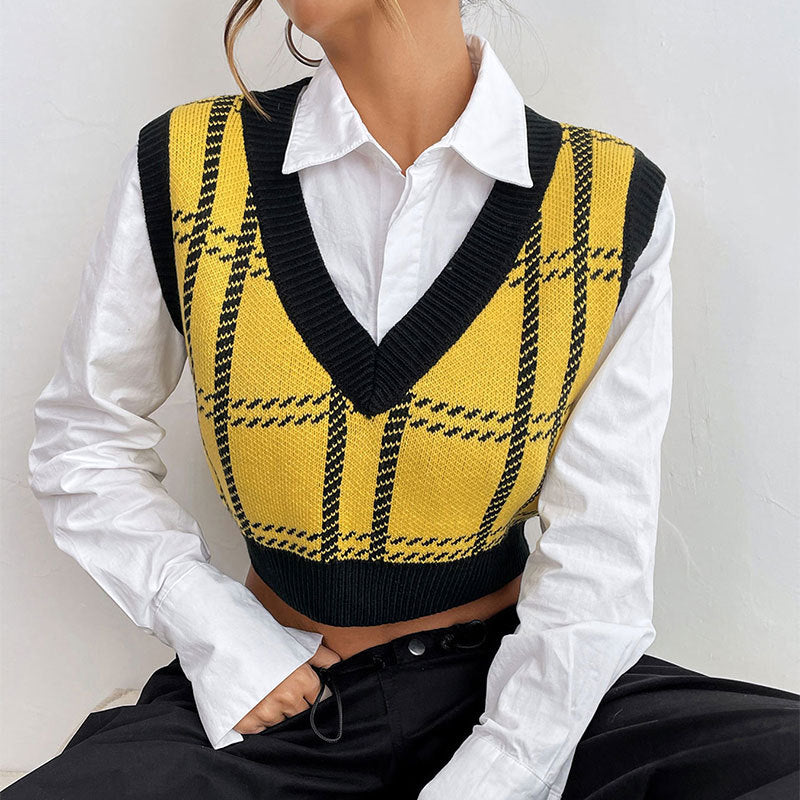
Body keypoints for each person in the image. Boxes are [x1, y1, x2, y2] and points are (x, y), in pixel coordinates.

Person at [6, 1, 798, 798]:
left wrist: (499, 773)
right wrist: (220, 632)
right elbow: (83, 440)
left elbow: (601, 548)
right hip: (283, 694)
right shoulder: (188, 164)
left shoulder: (608, 200)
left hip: (524, 693)